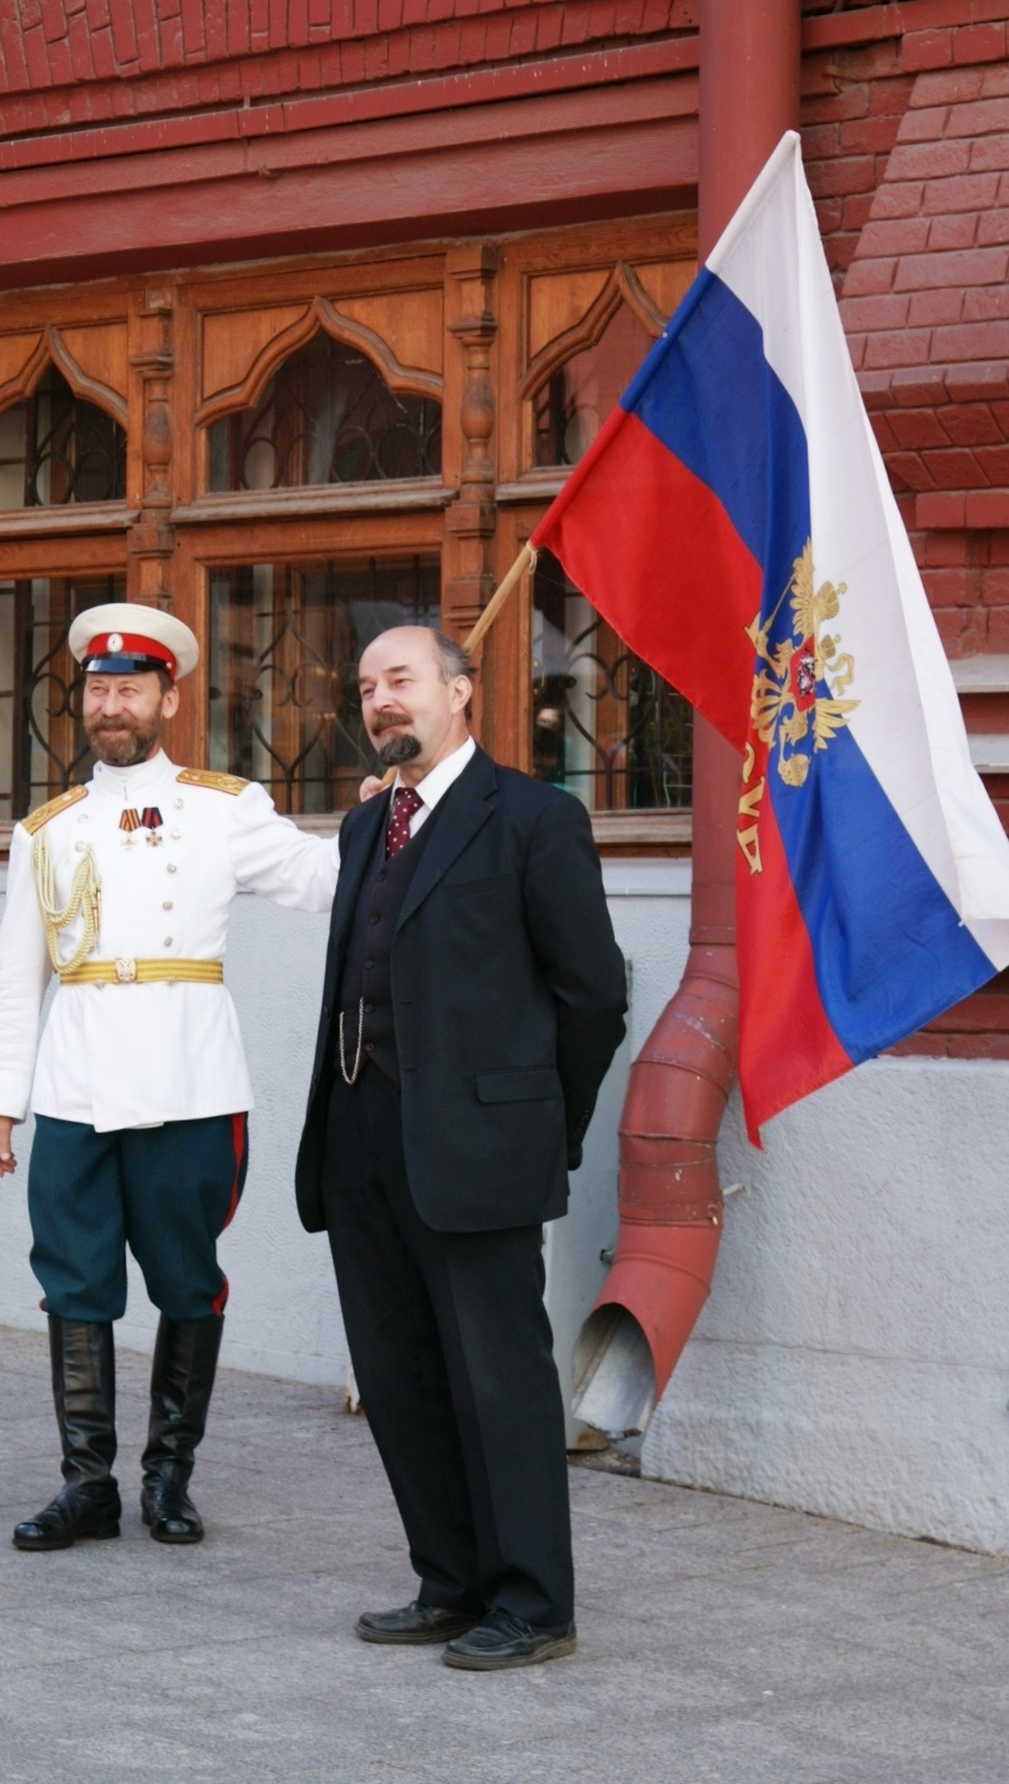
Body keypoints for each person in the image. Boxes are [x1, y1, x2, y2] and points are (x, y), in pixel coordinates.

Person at [295, 626, 627, 1671]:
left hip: (479, 1144)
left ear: (461, 691)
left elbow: (593, 998)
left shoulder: (533, 817)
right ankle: (448, 1582)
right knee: (397, 1374)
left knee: (498, 1378)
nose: (381, 699)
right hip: (359, 1137)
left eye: (400, 679)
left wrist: (538, 1125)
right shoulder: (362, 828)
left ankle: (533, 1601)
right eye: (367, 685)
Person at [0, 605, 339, 1552]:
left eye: (130, 687)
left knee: (186, 1279)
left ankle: (168, 1481)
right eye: (98, 689)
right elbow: (21, 974)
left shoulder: (225, 807)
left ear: (167, 698)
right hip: (74, 1087)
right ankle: (86, 1487)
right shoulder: (45, 830)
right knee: (73, 1284)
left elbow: (318, 878)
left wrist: (393, 812)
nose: (112, 703)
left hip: (188, 1082)